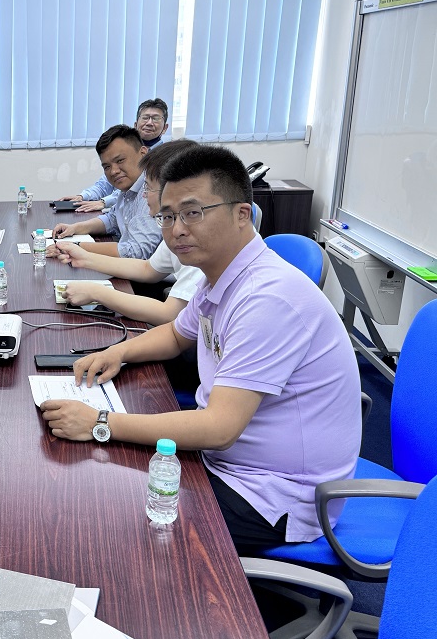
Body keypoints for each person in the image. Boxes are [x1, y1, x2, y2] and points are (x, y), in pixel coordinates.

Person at [40, 145, 361, 549]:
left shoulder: (268, 298)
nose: (176, 229)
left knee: (108, 521)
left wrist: (99, 422)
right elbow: (177, 334)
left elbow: (218, 428)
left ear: (242, 214)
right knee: (101, 485)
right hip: (229, 463)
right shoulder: (221, 277)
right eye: (168, 216)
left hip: (272, 494)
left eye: (192, 213)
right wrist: (117, 353)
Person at [55, 139, 203, 326]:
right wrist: (83, 258)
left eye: (148, 187)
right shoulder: (174, 226)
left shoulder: (197, 239)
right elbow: (147, 269)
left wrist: (96, 293)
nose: (144, 194)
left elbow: (170, 314)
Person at [49, 125, 162, 260]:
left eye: (120, 160)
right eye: (107, 166)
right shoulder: (128, 189)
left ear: (143, 153)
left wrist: (75, 247)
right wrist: (75, 228)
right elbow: (112, 219)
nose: (113, 171)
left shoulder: (151, 192)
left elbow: (136, 252)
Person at [57, 98, 170, 213]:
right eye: (145, 118)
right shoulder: (124, 147)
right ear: (136, 125)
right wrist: (82, 197)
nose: (149, 123)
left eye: (156, 118)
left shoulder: (166, 157)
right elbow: (105, 183)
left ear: (165, 128)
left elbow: (133, 191)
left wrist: (103, 202)